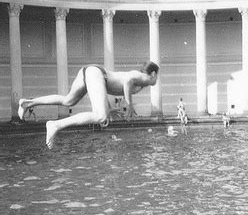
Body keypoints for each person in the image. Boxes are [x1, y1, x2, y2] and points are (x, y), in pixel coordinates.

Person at [18, 61, 159, 149]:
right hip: (97, 74)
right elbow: (127, 81)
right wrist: (129, 105)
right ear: (153, 73)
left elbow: (109, 88)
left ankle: (28, 103)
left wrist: (109, 109)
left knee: (68, 101)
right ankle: (55, 125)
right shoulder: (143, 78)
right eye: (157, 76)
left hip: (91, 71)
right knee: (100, 116)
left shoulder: (141, 82)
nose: (156, 80)